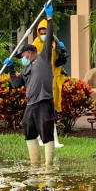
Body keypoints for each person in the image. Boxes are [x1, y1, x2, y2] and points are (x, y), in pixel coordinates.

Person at [3, 3, 56, 167]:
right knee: (28, 130)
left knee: (46, 131)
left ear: (30, 52)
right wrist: (11, 68)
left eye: (23, 55)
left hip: (44, 102)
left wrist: (49, 18)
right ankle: (35, 164)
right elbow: (16, 84)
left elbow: (48, 37)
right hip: (31, 105)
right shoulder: (26, 69)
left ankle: (49, 166)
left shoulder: (43, 57)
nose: (22, 58)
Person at [33, 19, 66, 148]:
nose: (43, 34)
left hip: (52, 81)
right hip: (41, 82)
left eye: (46, 32)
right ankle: (40, 137)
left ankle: (52, 138)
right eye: (41, 32)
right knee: (41, 110)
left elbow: (59, 61)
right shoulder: (35, 44)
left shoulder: (54, 44)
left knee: (50, 111)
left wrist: (61, 53)